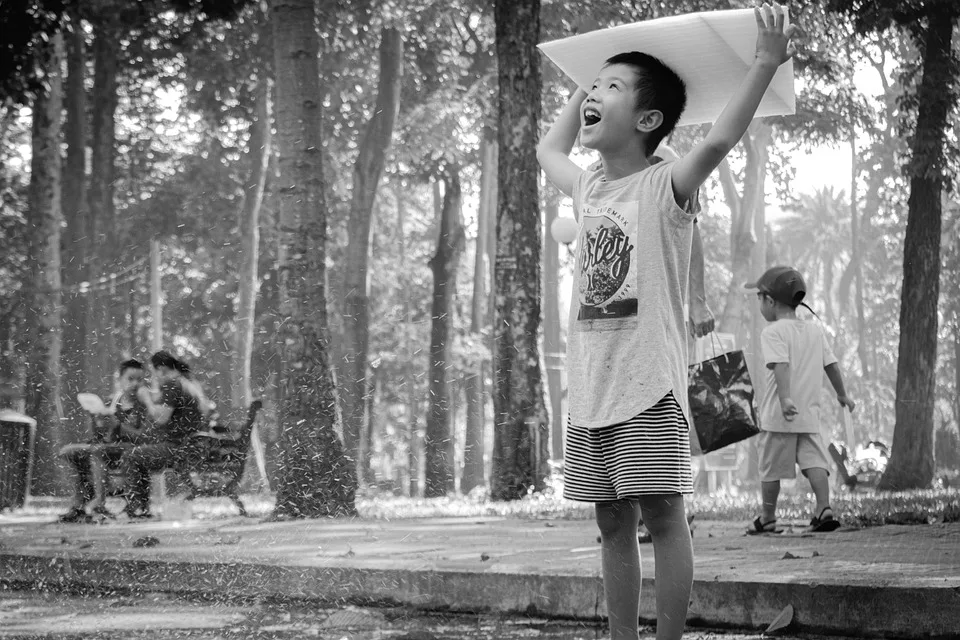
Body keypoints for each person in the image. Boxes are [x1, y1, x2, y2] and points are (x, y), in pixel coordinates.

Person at [536, 5, 797, 639]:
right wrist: (585, 77)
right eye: (595, 89)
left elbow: (716, 141)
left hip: (648, 387)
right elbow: (548, 148)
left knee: (662, 516)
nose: (596, 97)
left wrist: (762, 63)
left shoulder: (666, 187)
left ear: (647, 120)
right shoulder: (588, 191)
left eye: (612, 89)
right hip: (593, 391)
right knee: (609, 523)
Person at [746, 265, 855, 534]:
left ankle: (768, 517)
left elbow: (780, 365)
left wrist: (784, 399)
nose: (759, 304)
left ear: (770, 300)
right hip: (808, 414)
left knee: (770, 469)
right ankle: (824, 508)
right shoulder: (814, 331)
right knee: (815, 462)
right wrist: (842, 394)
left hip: (778, 415)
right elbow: (831, 365)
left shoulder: (772, 332)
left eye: (759, 298)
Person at [58, 359, 150, 523]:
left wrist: (119, 426)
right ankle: (79, 504)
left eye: (139, 379)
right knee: (73, 452)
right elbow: (101, 436)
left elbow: (144, 438)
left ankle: (99, 500)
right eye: (130, 379)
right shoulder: (111, 402)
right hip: (109, 447)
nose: (135, 383)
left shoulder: (144, 405)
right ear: (120, 379)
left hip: (129, 450)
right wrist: (98, 421)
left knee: (97, 451)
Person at [121, 350, 207, 519]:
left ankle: (137, 508)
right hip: (193, 446)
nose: (156, 379)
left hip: (178, 448)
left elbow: (161, 418)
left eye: (154, 374)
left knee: (130, 456)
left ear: (161, 369)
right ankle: (140, 508)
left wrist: (146, 400)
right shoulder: (189, 383)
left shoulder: (173, 384)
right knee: (139, 452)